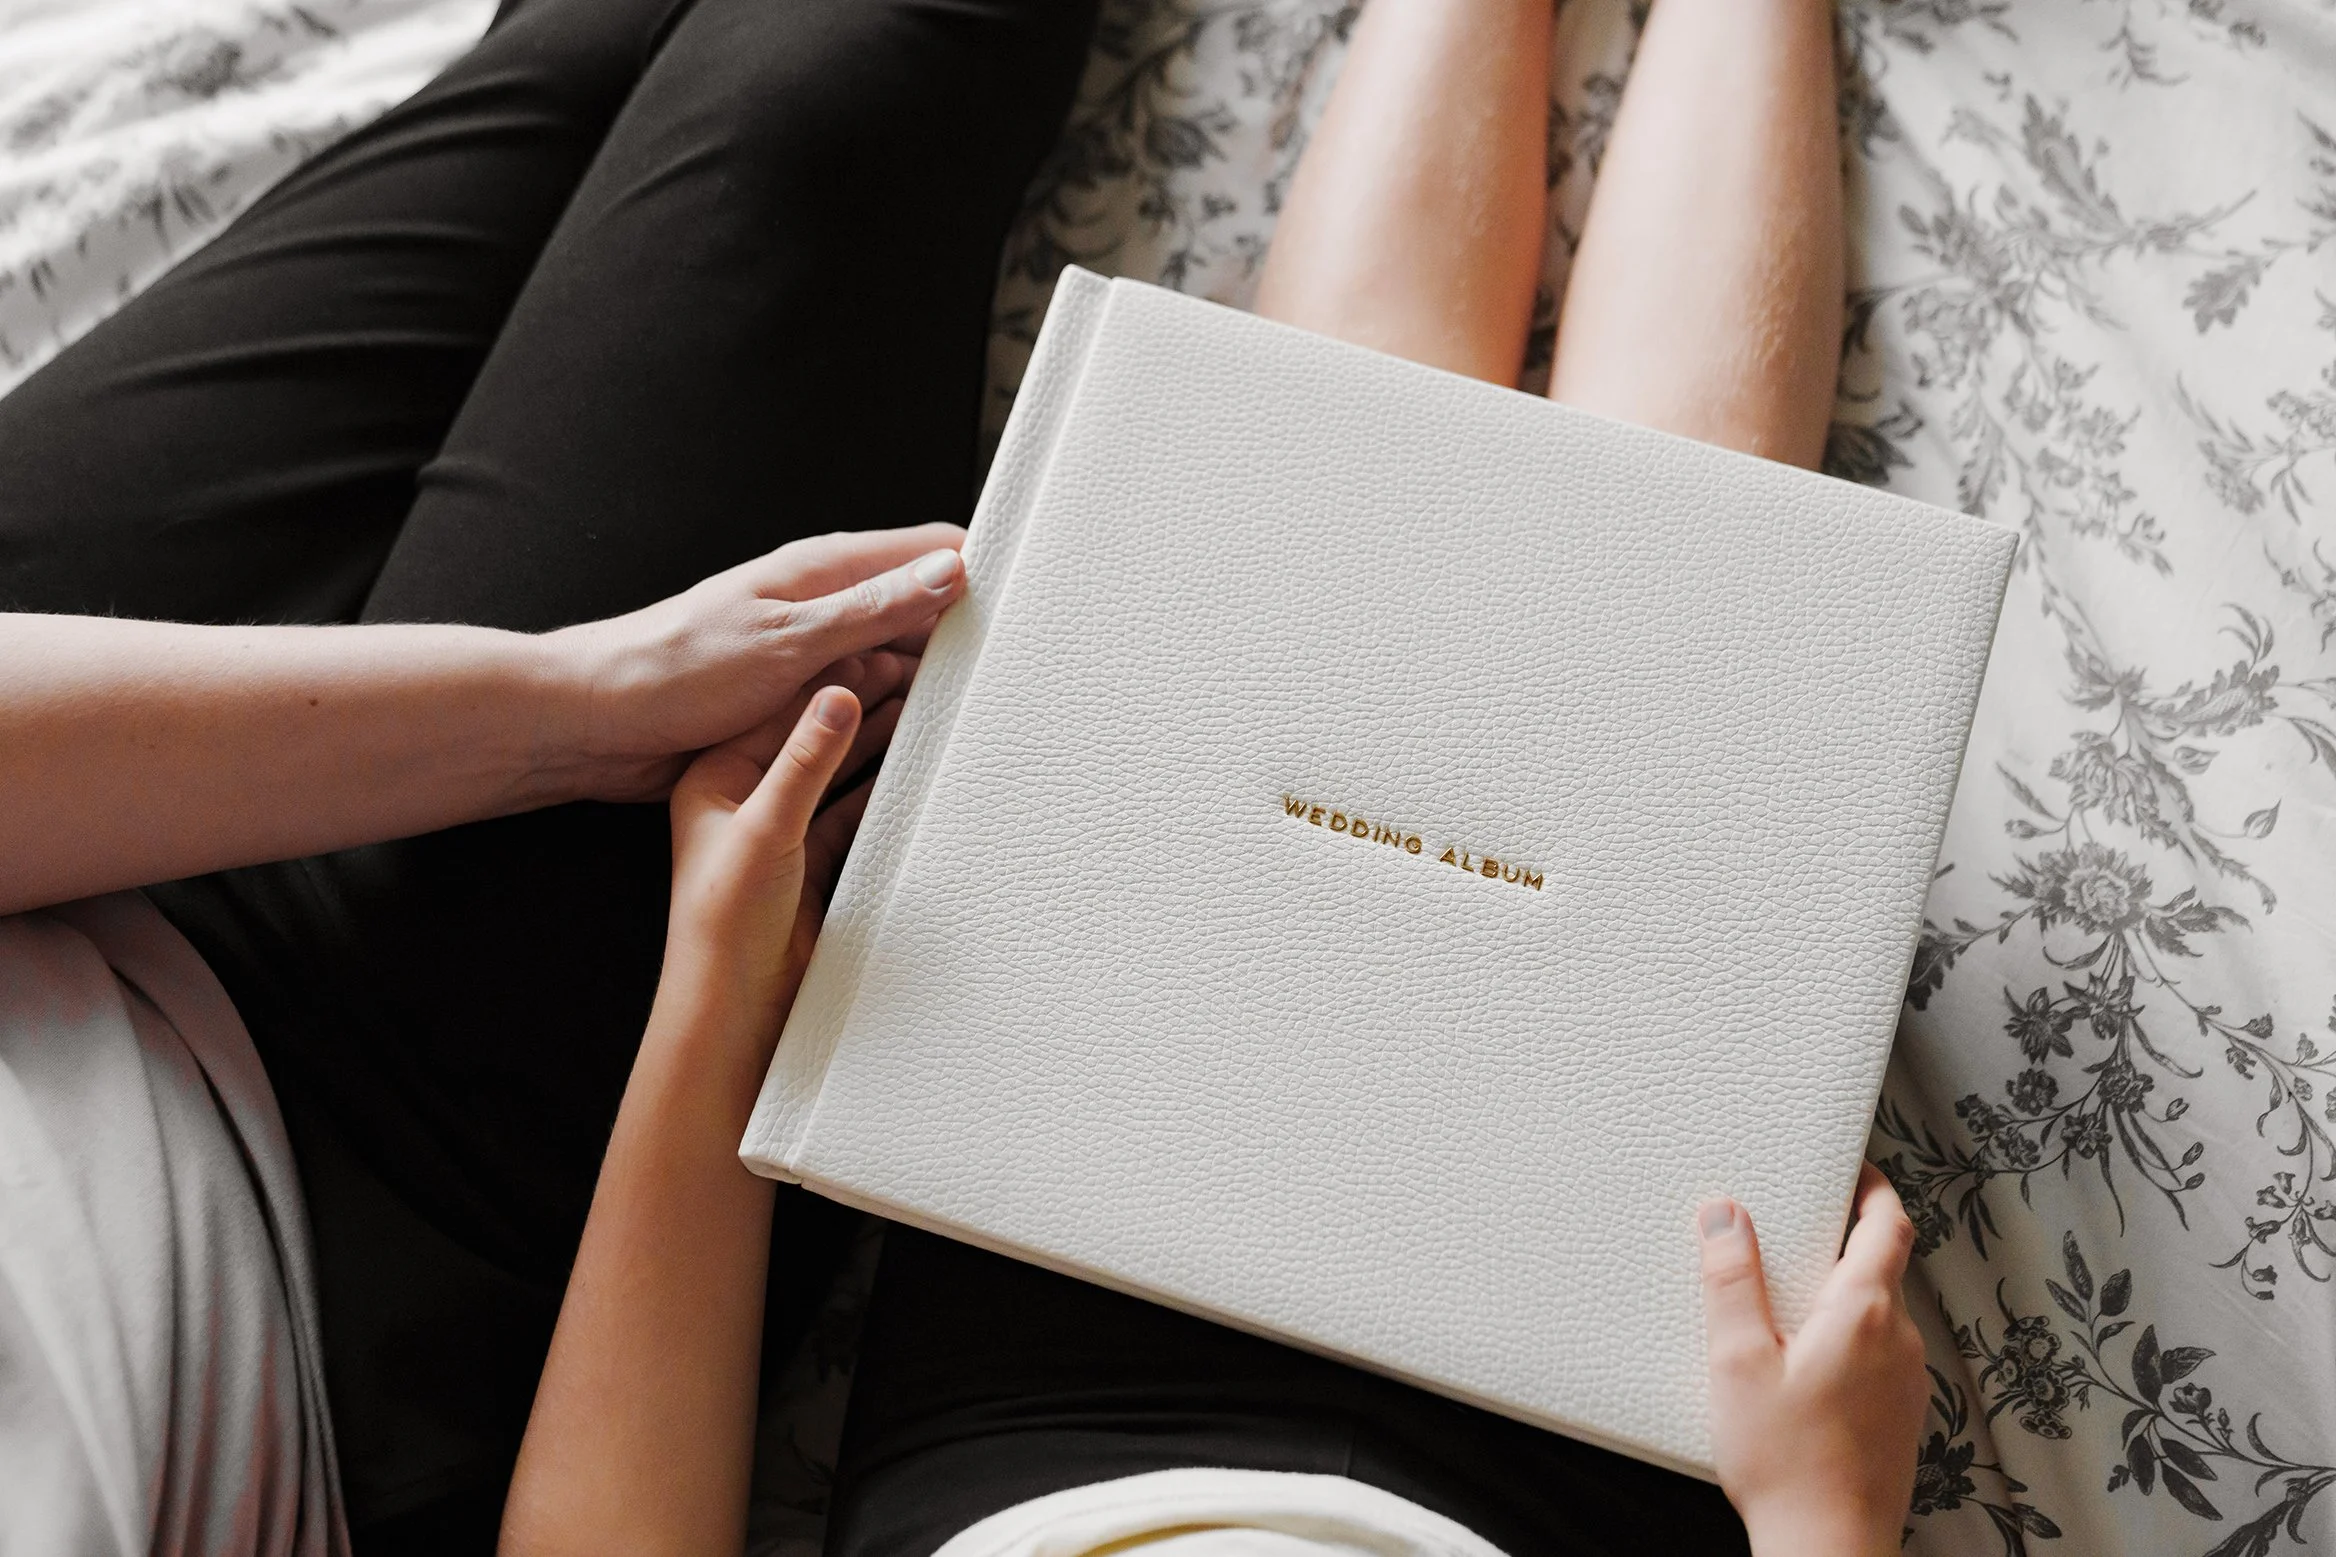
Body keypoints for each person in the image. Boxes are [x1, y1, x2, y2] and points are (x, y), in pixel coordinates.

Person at [506, 2, 1930, 1557]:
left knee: (1335, 497)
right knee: (1697, 582)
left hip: (1063, 1357)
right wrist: (1823, 1524)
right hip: (1552, 1453)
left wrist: (714, 1007)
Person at [0, 0, 1102, 1547]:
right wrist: (717, 1006)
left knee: (580, 47)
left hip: (48, 792)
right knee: (831, 86)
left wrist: (590, 697)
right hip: (369, 1242)